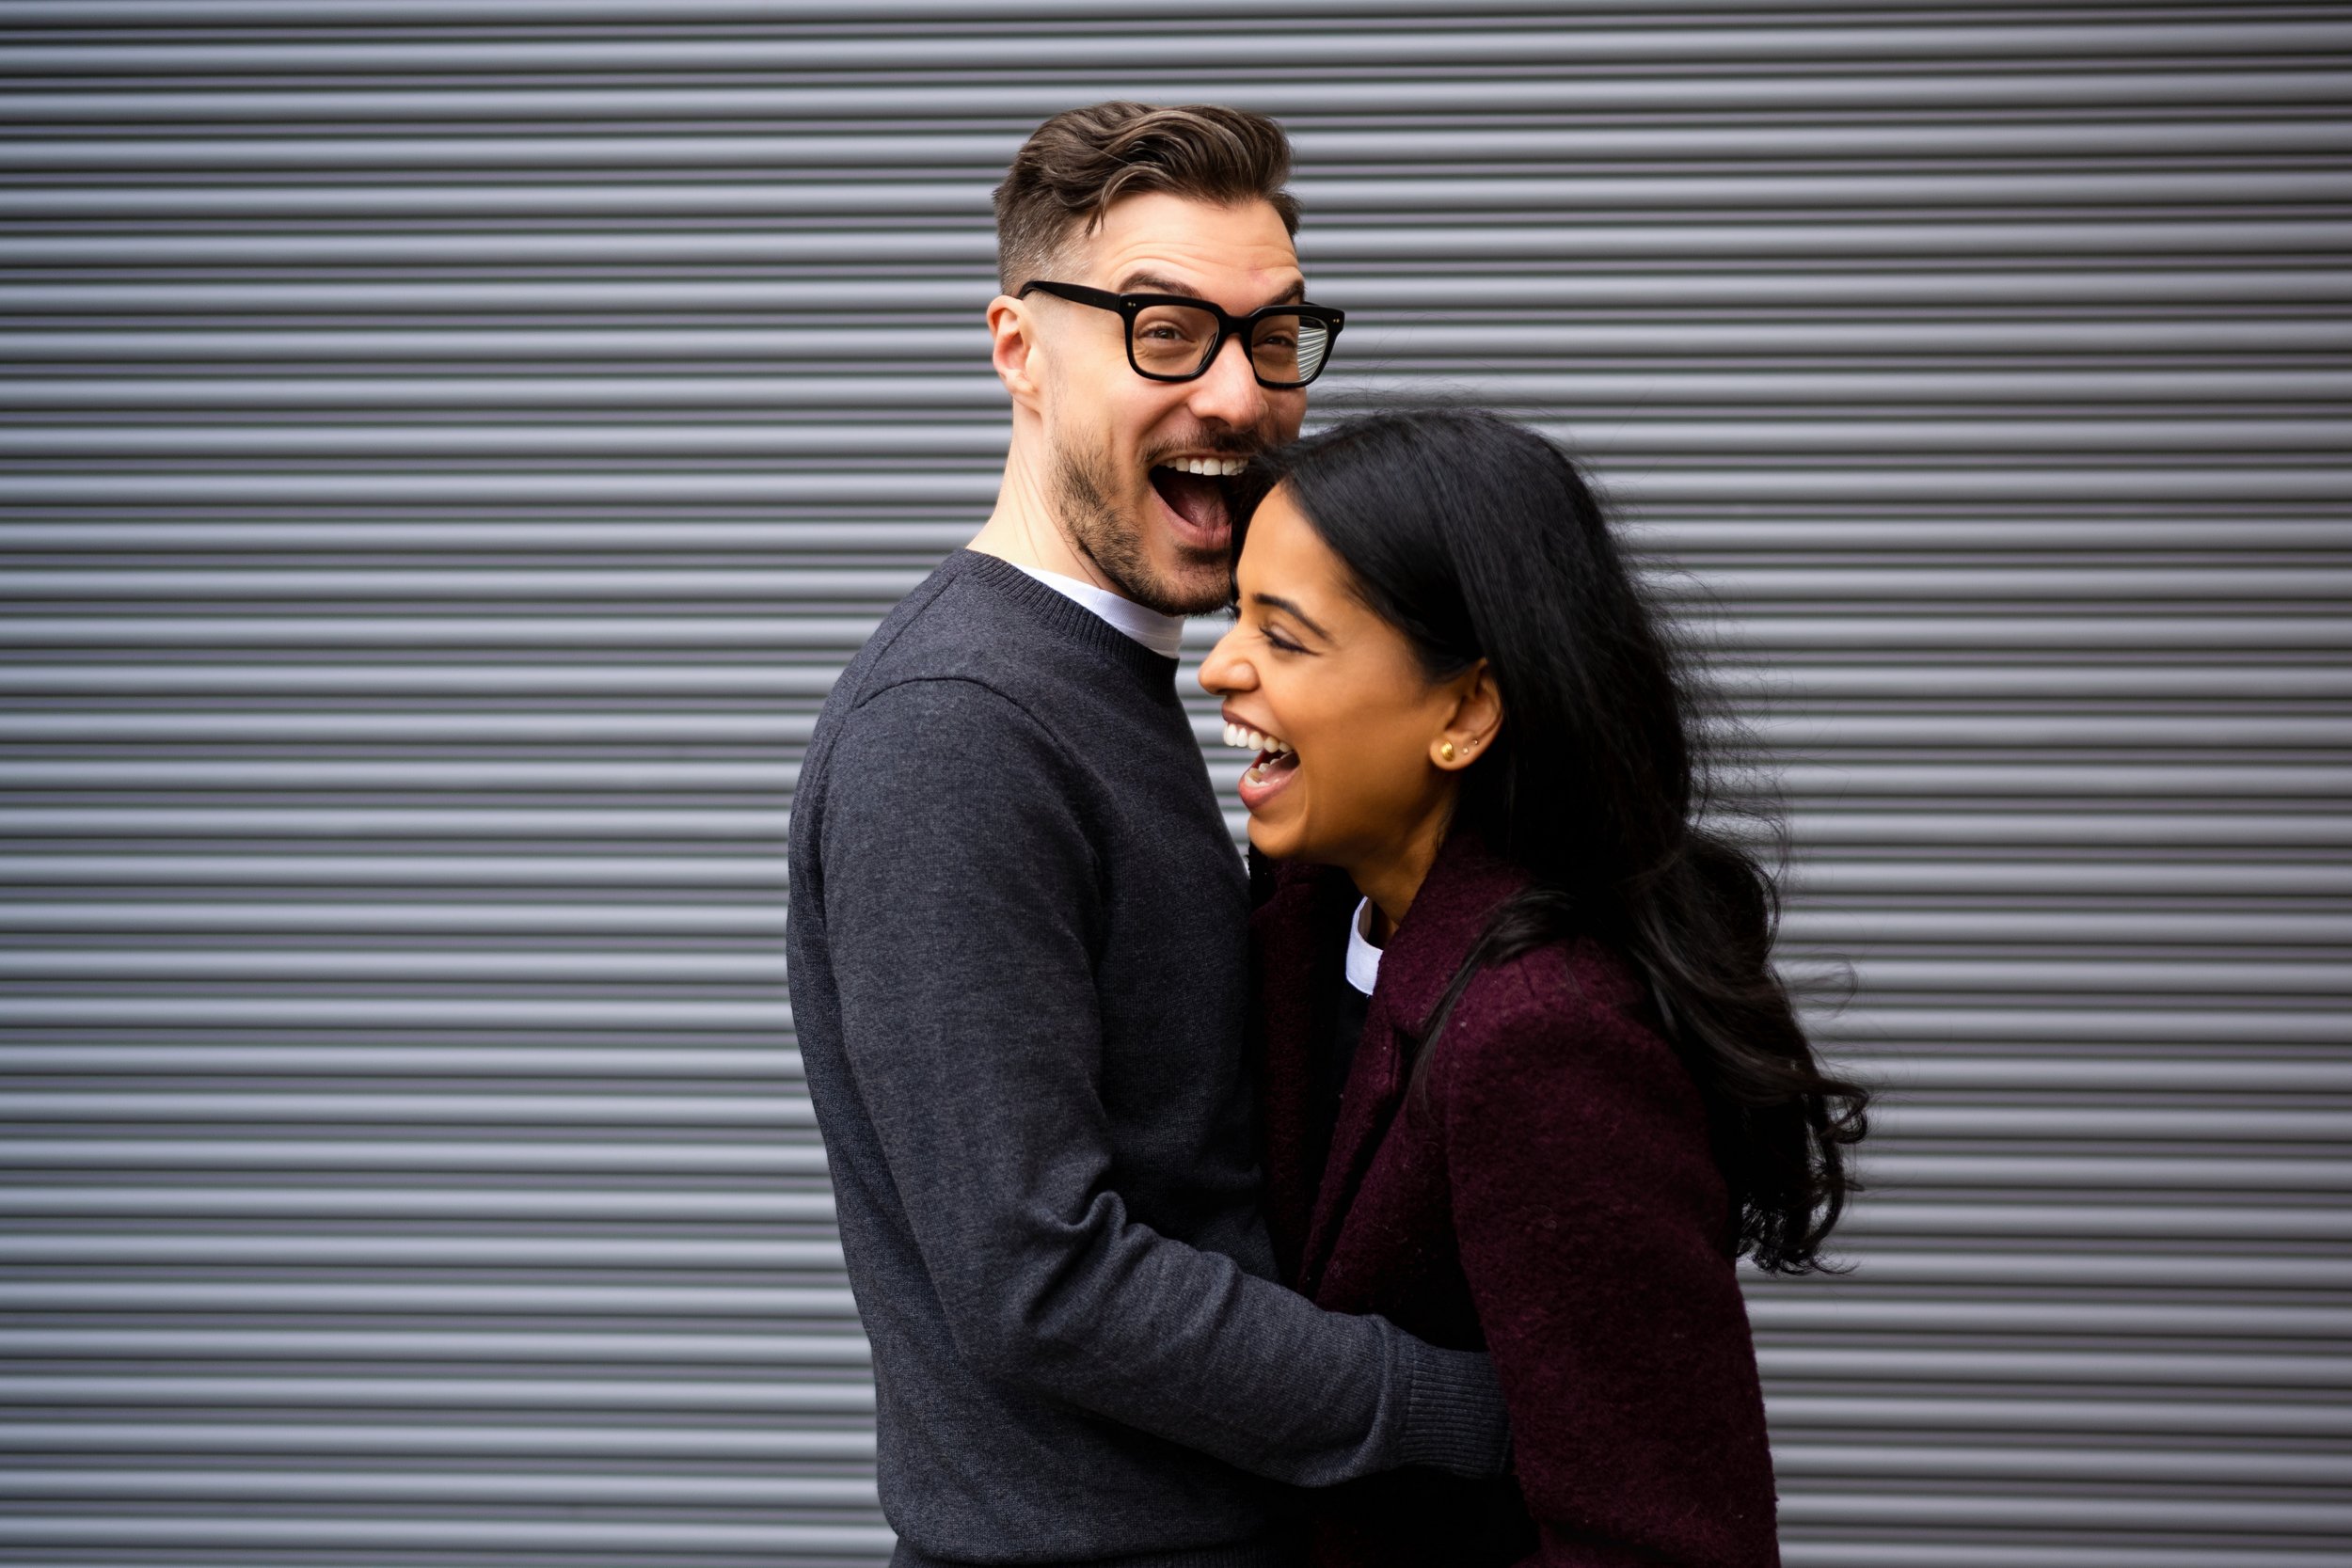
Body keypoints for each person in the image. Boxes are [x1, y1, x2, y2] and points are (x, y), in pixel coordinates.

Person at [787, 106, 1511, 1568]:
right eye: (1165, 331)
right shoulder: (958, 727)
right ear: (1019, 351)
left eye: (1276, 335)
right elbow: (1039, 1272)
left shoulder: (1117, 677)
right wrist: (1468, 1410)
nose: (1240, 396)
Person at [1200, 409, 1872, 1568]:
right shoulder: (1312, 918)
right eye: (1233, 616)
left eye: (1288, 637)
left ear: (1463, 712)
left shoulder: (1543, 1036)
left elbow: (1660, 1537)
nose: (1219, 667)